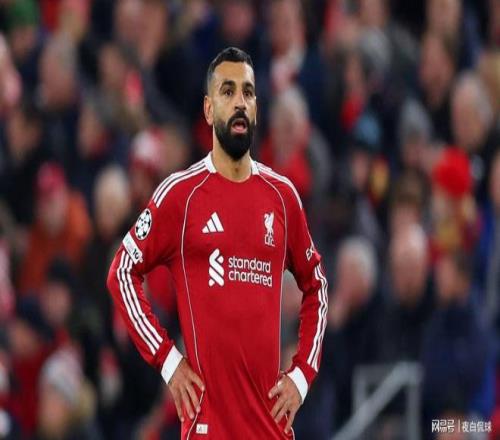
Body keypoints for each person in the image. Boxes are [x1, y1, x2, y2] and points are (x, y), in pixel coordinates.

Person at [106, 47, 328, 439]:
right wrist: (168, 361)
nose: (240, 102)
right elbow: (121, 272)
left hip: (270, 430)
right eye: (228, 91)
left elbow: (317, 286)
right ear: (209, 110)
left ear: (256, 109)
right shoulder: (181, 195)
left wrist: (301, 376)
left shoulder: (282, 197)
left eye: (248, 92)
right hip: (207, 429)